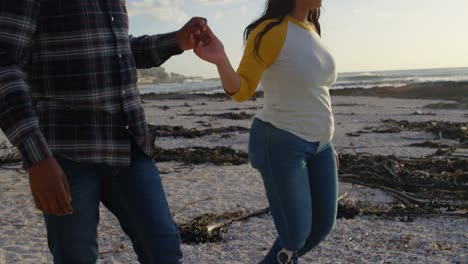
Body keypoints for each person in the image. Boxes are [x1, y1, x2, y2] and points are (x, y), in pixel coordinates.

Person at [0, 1, 208, 263]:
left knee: (165, 249)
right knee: (75, 257)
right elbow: (6, 65)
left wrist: (175, 41)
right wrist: (37, 158)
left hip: (130, 145)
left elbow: (119, 49)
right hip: (67, 154)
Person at [194, 0, 339, 263]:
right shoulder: (269, 31)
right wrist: (220, 60)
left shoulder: (311, 28)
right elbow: (242, 89)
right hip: (282, 141)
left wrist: (326, 140)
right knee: (294, 237)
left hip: (322, 146)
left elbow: (315, 92)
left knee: (321, 228)